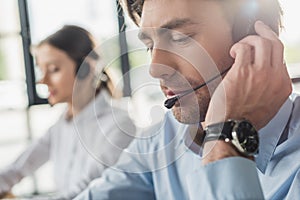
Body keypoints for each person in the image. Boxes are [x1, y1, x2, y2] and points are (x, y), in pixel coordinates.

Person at [76, 0, 300, 199]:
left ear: (252, 39)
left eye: (179, 38)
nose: (155, 68)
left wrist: (225, 137)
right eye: (150, 47)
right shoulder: (164, 139)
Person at [0, 25, 135, 199]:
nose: (43, 80)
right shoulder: (60, 126)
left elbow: (86, 193)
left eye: (53, 69)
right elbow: (17, 168)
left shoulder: (119, 126)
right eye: (41, 70)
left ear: (86, 68)